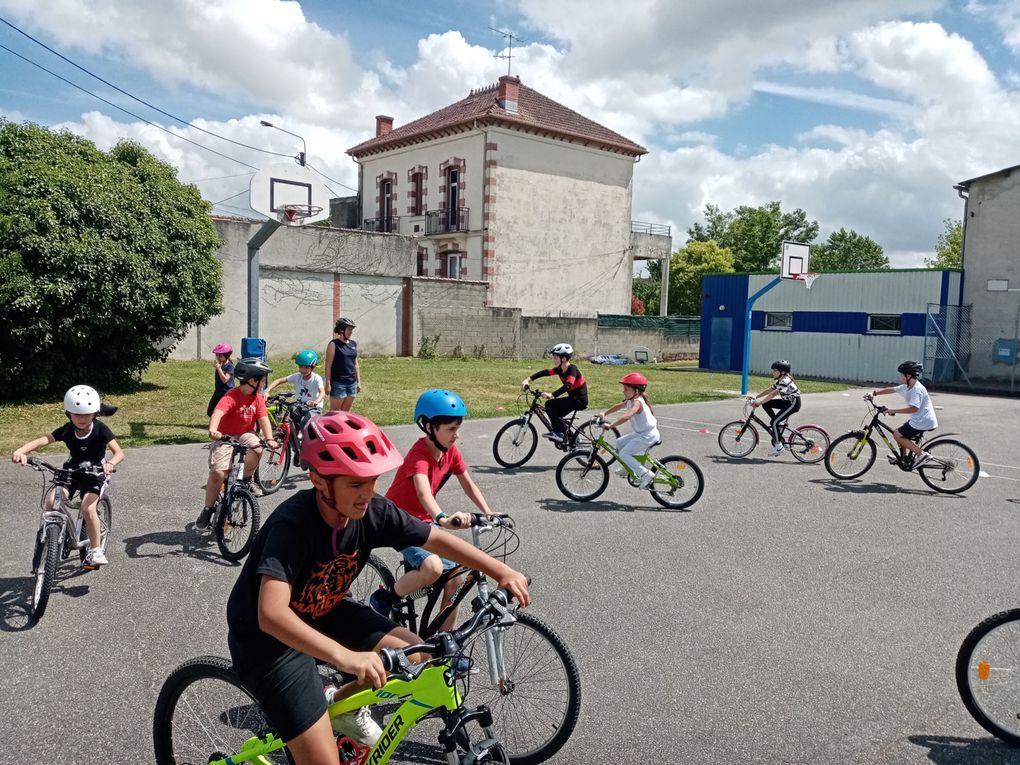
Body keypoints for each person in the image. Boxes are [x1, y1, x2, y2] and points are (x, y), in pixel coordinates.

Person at [224, 411, 529, 761]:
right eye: (355, 483)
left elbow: (435, 539)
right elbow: (271, 614)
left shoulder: (372, 511)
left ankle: (341, 705)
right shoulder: (292, 525)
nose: (368, 492)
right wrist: (346, 658)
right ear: (320, 481)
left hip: (325, 609)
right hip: (269, 641)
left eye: (372, 480)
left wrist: (500, 570)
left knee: (419, 654)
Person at [372, 389, 495, 631]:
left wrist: (488, 513)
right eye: (450, 429)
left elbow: (468, 483)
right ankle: (384, 599)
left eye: (457, 428)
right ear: (429, 427)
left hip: (423, 522)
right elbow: (423, 492)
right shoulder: (419, 454)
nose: (456, 435)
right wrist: (443, 519)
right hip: (398, 520)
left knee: (457, 576)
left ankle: (443, 640)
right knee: (433, 567)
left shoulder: (450, 453)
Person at [11, 385, 124, 567]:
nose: (82, 419)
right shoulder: (67, 430)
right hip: (71, 471)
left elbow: (119, 452)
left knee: (87, 508)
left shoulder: (101, 429)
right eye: (77, 414)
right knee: (51, 502)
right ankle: (50, 536)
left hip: (95, 473)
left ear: (95, 414)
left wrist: (110, 464)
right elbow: (44, 440)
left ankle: (95, 550)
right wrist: (21, 451)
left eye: (87, 414)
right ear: (68, 414)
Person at [196, 357, 278, 529]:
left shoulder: (257, 399)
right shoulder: (232, 395)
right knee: (218, 473)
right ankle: (208, 509)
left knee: (257, 447)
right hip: (225, 435)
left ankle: (246, 480)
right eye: (262, 380)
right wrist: (213, 430)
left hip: (245, 433)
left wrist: (269, 439)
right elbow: (218, 412)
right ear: (252, 380)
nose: (263, 383)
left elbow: (263, 420)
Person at [870, 360, 938, 469]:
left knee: (897, 434)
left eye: (902, 375)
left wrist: (893, 411)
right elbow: (891, 389)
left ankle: (923, 455)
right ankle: (903, 458)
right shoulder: (907, 386)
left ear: (908, 376)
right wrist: (874, 393)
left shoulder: (917, 389)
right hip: (920, 420)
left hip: (923, 421)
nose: (900, 377)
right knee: (899, 433)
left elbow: (913, 408)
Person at [600, 372, 660, 489]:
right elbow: (618, 406)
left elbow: (626, 416)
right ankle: (628, 468)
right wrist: (604, 413)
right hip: (641, 433)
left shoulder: (637, 403)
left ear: (636, 391)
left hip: (648, 436)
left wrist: (611, 425)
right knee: (620, 443)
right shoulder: (630, 400)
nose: (624, 391)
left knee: (624, 454)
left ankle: (646, 474)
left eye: (626, 389)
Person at [520, 343, 588, 442]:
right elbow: (545, 372)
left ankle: (558, 434)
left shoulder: (572, 369)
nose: (553, 359)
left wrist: (552, 395)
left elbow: (568, 385)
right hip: (573, 399)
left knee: (550, 405)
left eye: (555, 357)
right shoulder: (560, 370)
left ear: (564, 359)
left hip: (579, 400)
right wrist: (528, 379)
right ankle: (573, 438)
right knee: (555, 414)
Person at [265, 349, 325, 434]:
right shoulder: (298, 376)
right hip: (300, 405)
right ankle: (293, 440)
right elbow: (278, 381)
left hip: (313, 408)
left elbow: (322, 392)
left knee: (305, 423)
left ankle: (306, 443)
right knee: (288, 421)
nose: (303, 370)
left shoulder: (316, 378)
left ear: (313, 367)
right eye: (301, 367)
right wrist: (267, 391)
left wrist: (315, 402)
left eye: (306, 367)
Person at [751, 360, 801, 456]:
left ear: (782, 372)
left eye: (775, 370)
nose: (772, 372)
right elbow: (770, 390)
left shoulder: (785, 381)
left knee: (773, 422)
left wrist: (759, 402)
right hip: (787, 402)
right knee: (767, 404)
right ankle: (778, 423)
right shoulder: (780, 380)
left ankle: (778, 447)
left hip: (793, 403)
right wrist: (757, 397)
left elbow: (773, 394)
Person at [325, 317, 361, 412]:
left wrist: (358, 382)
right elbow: (328, 365)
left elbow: (355, 364)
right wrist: (328, 384)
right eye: (349, 329)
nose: (351, 332)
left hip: (352, 383)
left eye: (352, 330)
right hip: (338, 383)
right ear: (341, 330)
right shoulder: (333, 344)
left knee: (345, 412)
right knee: (335, 412)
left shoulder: (353, 344)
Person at [207, 342, 236, 417]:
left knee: (224, 411)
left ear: (227, 355)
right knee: (210, 411)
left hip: (227, 393)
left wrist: (219, 369)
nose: (217, 357)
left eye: (220, 355)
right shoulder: (220, 364)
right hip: (218, 391)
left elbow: (225, 379)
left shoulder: (230, 367)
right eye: (216, 355)